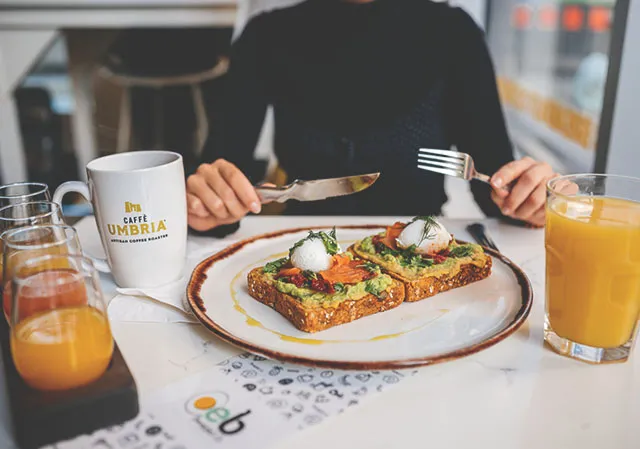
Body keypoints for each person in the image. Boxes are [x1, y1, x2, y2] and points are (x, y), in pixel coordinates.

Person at [186, 0, 556, 234]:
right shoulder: (266, 35)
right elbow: (221, 172)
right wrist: (209, 202)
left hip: (421, 246)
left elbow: (495, 189)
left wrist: (531, 199)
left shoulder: (454, 34)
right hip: (304, 251)